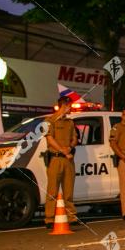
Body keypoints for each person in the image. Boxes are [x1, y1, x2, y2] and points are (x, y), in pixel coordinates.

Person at [43, 96, 78, 228]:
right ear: (64, 105)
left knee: (68, 190)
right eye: (70, 106)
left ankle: (71, 217)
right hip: (56, 158)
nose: (71, 109)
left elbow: (75, 138)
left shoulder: (70, 122)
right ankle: (50, 218)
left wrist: (70, 147)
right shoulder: (49, 121)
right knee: (52, 190)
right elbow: (50, 139)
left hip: (68, 159)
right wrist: (64, 151)